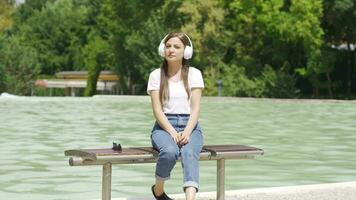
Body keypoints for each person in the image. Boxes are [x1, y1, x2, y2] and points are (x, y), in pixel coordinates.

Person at [147, 32, 204, 200]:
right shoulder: (155, 75)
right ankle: (158, 190)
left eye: (176, 47)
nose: (171, 50)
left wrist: (187, 131)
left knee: (189, 152)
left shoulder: (195, 74)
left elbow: (195, 109)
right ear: (162, 49)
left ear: (186, 52)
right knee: (170, 151)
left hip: (191, 126)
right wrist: (172, 132)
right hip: (164, 127)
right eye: (168, 46)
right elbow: (157, 110)